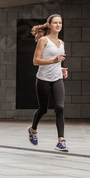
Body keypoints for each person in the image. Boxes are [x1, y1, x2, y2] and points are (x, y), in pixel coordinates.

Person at [28, 14, 69, 152]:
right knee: (43, 109)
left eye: (60, 23)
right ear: (49, 25)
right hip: (43, 79)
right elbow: (36, 61)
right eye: (55, 23)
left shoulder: (62, 43)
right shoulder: (43, 40)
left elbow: (57, 62)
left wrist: (62, 69)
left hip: (57, 78)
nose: (58, 25)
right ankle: (33, 129)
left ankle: (61, 141)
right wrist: (54, 61)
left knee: (60, 107)